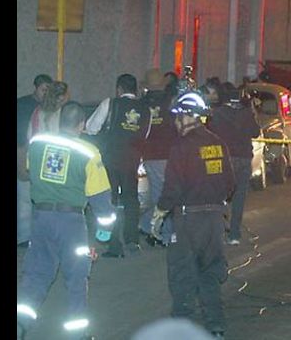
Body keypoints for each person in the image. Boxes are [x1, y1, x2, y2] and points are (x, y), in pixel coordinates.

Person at [17, 101, 116, 340]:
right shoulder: (89, 153)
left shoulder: (38, 143)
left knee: (36, 275)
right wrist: (104, 233)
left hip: (40, 219)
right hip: (71, 223)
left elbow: (30, 171)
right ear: (81, 125)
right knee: (76, 278)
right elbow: (101, 199)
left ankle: (20, 324)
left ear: (61, 121)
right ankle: (77, 334)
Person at [151, 91, 236, 338]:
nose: (176, 123)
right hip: (214, 220)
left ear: (189, 117)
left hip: (188, 220)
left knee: (182, 276)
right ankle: (216, 326)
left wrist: (159, 212)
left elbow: (173, 188)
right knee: (209, 273)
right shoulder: (218, 143)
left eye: (178, 118)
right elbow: (230, 183)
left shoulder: (182, 146)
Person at [86, 74, 150, 258]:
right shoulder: (145, 109)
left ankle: (114, 245)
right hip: (132, 161)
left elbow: (92, 127)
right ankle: (132, 240)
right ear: (135, 90)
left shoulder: (110, 104)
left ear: (119, 89)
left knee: (110, 201)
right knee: (131, 200)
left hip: (110, 160)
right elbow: (145, 135)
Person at [207, 87, 260, 245]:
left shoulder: (217, 113)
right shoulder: (246, 113)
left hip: (223, 158)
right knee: (239, 197)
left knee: (217, 195)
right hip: (243, 158)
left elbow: (210, 131)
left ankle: (218, 231)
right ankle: (234, 234)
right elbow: (256, 132)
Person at [138, 69, 178, 246]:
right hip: (168, 153)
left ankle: (148, 225)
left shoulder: (142, 104)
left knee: (159, 194)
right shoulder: (170, 101)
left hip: (149, 154)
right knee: (164, 195)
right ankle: (164, 232)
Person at [17, 74, 53, 246]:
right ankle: (24, 237)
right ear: (36, 87)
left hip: (41, 159)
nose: (46, 94)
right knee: (24, 199)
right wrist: (21, 164)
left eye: (48, 90)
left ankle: (34, 236)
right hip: (25, 154)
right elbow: (21, 139)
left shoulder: (48, 108)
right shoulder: (24, 106)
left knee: (37, 200)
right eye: (43, 90)